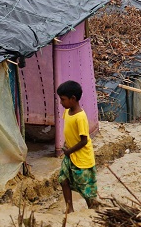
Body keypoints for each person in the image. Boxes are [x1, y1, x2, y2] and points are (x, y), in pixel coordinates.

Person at [57, 80, 99, 213]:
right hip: (70, 155)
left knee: (85, 188)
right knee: (63, 179)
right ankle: (69, 208)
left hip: (81, 158)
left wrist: (69, 150)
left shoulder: (80, 117)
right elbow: (69, 130)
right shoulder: (67, 112)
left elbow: (84, 141)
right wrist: (66, 144)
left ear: (73, 99)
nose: (61, 102)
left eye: (63, 99)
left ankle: (93, 208)